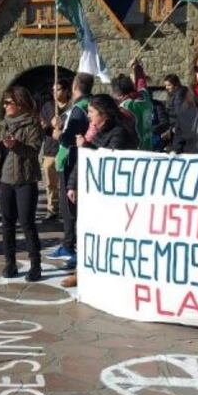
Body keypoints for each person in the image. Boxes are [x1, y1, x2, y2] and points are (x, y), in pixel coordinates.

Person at [61, 94, 140, 287]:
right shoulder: (95, 131)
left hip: (112, 196)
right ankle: (82, 272)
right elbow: (84, 161)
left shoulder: (119, 132)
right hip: (93, 192)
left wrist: (86, 146)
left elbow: (109, 162)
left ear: (103, 114)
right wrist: (72, 184)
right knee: (87, 232)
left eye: (91, 112)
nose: (88, 116)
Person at [0, 86, 43, 281]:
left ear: (20, 103)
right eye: (4, 102)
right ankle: (10, 263)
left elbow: (33, 151)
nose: (5, 106)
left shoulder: (32, 125)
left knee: (27, 223)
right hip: (5, 180)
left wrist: (16, 145)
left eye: (9, 102)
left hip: (25, 180)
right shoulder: (4, 124)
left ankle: (35, 265)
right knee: (7, 223)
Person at [50, 73, 94, 268]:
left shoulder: (78, 109)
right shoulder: (91, 104)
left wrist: (57, 132)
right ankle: (70, 243)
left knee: (70, 207)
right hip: (81, 159)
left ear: (75, 86)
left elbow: (67, 139)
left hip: (71, 161)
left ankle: (71, 245)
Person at [39, 79, 71, 222]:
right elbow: (43, 126)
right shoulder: (48, 106)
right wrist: (49, 125)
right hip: (51, 149)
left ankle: (68, 207)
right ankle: (52, 209)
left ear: (65, 91)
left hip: (67, 147)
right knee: (50, 182)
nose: (54, 92)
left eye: (57, 89)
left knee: (68, 180)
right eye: (53, 90)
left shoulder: (72, 106)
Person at [111, 74, 152, 150]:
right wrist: (137, 67)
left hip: (136, 151)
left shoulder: (125, 107)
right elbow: (141, 82)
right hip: (149, 147)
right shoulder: (145, 96)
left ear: (119, 93)